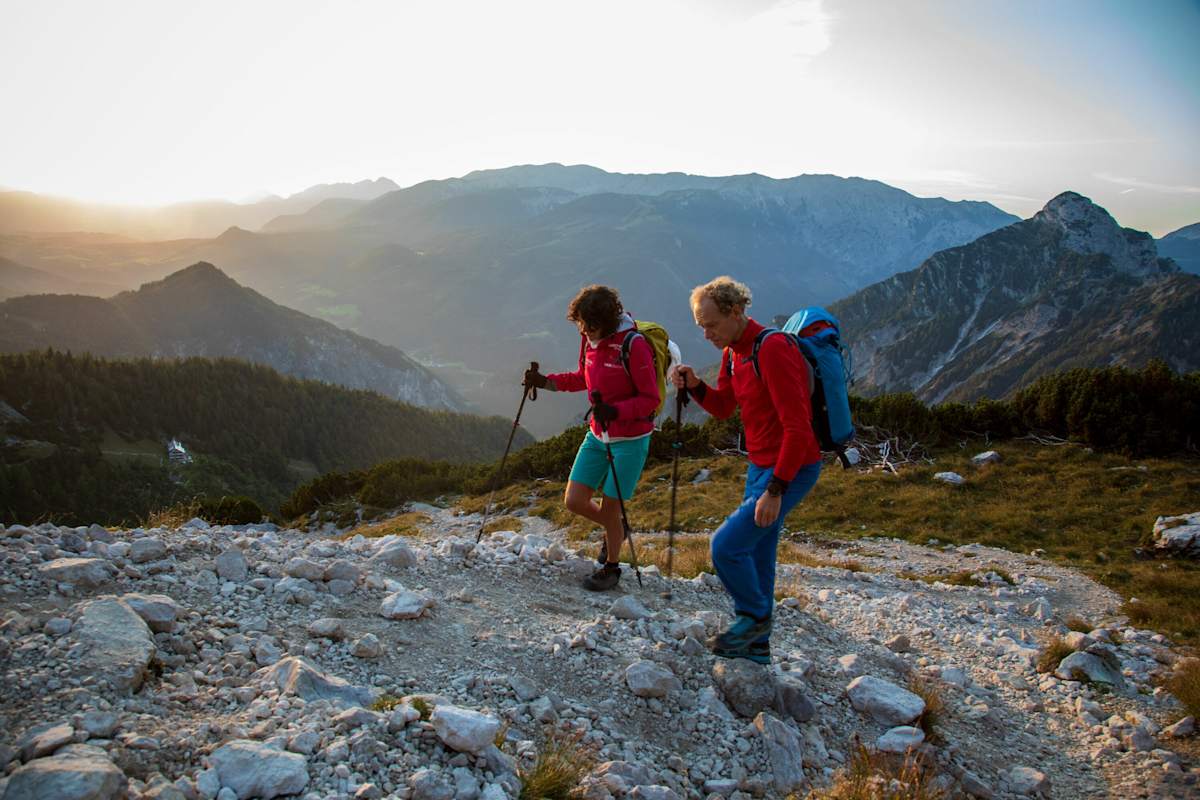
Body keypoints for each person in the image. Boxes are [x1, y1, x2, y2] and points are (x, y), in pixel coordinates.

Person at [672, 276, 821, 663]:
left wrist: (776, 488)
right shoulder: (733, 354)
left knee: (725, 546)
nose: (706, 334)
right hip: (760, 465)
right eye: (701, 326)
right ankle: (757, 650)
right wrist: (696, 385)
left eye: (711, 324)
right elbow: (724, 408)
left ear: (736, 312)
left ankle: (754, 619)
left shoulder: (770, 349)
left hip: (791, 467)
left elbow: (798, 427)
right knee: (757, 556)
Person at [523, 285, 660, 591]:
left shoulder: (633, 345)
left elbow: (650, 399)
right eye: (581, 324)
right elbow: (582, 379)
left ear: (607, 321)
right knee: (574, 501)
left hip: (630, 440)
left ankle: (611, 568)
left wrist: (616, 410)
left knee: (610, 509)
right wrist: (545, 382)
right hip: (598, 435)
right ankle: (616, 528)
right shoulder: (590, 340)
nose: (584, 330)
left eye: (589, 324)